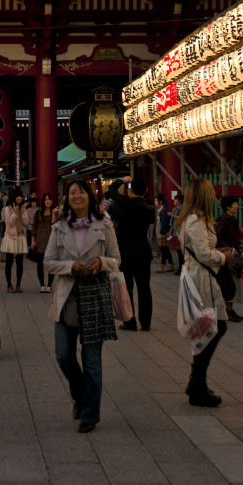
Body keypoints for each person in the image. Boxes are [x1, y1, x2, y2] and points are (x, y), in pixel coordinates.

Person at [43, 178, 120, 432]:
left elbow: (116, 259)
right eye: (72, 192)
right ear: (67, 198)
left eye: (81, 192)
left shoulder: (104, 226)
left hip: (94, 295)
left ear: (90, 196)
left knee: (92, 361)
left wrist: (100, 262)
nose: (76, 196)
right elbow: (48, 262)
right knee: (63, 355)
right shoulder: (59, 228)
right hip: (67, 295)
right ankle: (79, 393)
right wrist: (69, 267)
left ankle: (89, 414)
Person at [178, 176, 236, 407]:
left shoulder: (193, 219)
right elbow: (203, 253)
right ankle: (197, 382)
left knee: (205, 330)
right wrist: (224, 256)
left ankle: (197, 382)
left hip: (199, 277)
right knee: (214, 328)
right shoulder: (195, 220)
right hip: (201, 280)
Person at [109, 178, 156, 332]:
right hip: (143, 251)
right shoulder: (149, 207)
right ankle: (146, 322)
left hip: (126, 252)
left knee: (127, 288)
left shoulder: (125, 204)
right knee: (144, 287)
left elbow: (112, 190)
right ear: (147, 191)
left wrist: (123, 180)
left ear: (130, 191)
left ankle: (130, 321)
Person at [214, 206, 243, 323]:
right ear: (228, 206)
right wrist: (229, 249)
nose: (237, 206)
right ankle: (228, 309)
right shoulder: (223, 220)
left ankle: (229, 308)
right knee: (229, 280)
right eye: (234, 204)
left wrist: (238, 245)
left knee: (234, 280)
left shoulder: (233, 220)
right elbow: (218, 237)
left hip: (234, 253)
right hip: (228, 255)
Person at [0, 192, 31, 293]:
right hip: (10, 236)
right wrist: (15, 212)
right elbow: (9, 223)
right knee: (9, 261)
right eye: (17, 196)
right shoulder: (7, 209)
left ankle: (18, 284)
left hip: (20, 236)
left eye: (20, 197)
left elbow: (26, 222)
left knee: (20, 262)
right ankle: (9, 284)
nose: (19, 198)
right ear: (13, 197)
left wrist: (23, 211)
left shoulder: (23, 208)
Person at [32, 193, 56, 293]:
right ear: (43, 201)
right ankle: (42, 284)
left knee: (51, 263)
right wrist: (32, 241)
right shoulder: (38, 213)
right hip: (40, 240)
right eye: (46, 200)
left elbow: (55, 225)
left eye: (49, 199)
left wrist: (54, 214)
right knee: (40, 263)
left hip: (51, 240)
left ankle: (50, 285)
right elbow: (34, 226)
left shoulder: (55, 212)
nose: (48, 201)